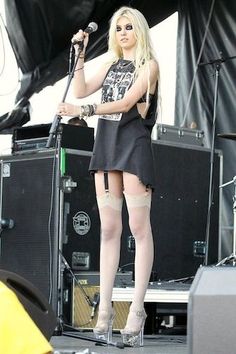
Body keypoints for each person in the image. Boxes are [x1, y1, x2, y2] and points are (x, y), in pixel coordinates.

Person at [58, 6, 159, 347]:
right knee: (109, 231)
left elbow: (127, 102)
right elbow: (81, 88)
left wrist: (82, 112)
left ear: (139, 30)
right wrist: (81, 54)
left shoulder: (149, 65)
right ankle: (104, 315)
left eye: (129, 27)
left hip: (132, 146)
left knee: (139, 230)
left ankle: (136, 310)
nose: (123, 32)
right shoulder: (112, 63)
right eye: (118, 28)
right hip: (107, 146)